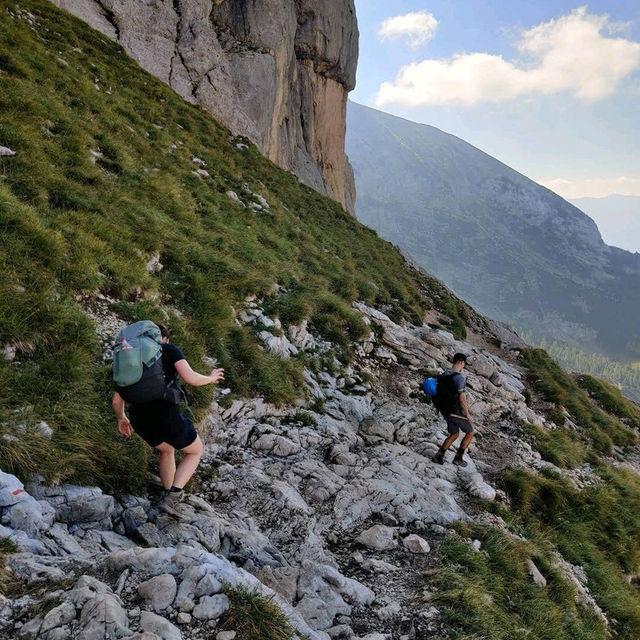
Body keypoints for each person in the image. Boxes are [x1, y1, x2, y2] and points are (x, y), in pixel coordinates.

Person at [112, 324, 224, 509]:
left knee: (167, 450)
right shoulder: (168, 349)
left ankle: (167, 495)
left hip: (139, 419)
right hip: (166, 415)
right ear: (163, 338)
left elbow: (117, 401)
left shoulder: (128, 358)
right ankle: (174, 495)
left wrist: (121, 418)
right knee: (195, 451)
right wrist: (211, 378)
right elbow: (191, 378)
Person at [432, 353, 474, 467]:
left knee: (454, 434)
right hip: (455, 412)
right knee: (470, 432)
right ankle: (458, 458)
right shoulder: (459, 378)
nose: (463, 365)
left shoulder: (444, 374)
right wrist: (468, 415)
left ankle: (439, 456)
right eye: (464, 363)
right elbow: (462, 400)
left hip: (444, 410)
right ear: (461, 362)